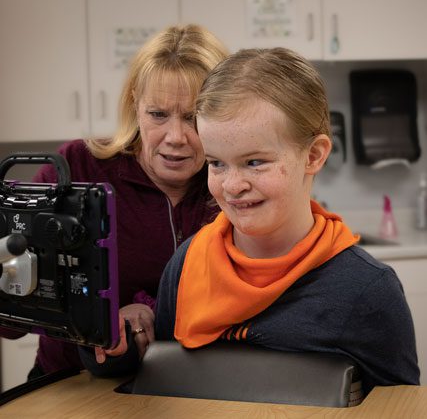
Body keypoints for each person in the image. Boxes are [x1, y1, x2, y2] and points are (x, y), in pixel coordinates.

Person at [82, 47, 420, 394]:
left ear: (314, 155)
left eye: (255, 162)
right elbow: (164, 384)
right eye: (216, 163)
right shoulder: (186, 265)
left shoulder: (366, 290)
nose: (232, 186)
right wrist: (113, 350)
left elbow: (399, 409)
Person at [0, 24, 228, 378]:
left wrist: (150, 310)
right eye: (158, 114)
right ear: (134, 104)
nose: (176, 137)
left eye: (193, 117)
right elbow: (14, 320)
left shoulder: (234, 185)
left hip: (193, 387)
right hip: (71, 385)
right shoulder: (77, 168)